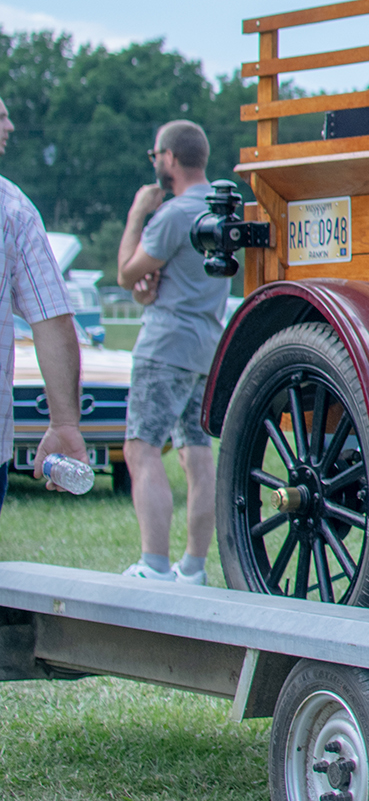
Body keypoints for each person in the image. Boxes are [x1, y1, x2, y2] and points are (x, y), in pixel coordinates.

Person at [116, 119, 228, 583]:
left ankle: (154, 564)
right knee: (197, 454)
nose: (155, 163)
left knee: (140, 449)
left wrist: (137, 214)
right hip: (207, 347)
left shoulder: (174, 213)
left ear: (169, 158)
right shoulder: (223, 210)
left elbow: (127, 271)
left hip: (165, 346)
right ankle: (193, 568)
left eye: (155, 156)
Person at [0, 96, 87, 511]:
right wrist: (65, 423)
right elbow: (51, 319)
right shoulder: (11, 208)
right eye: (0, 116)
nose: (11, 126)